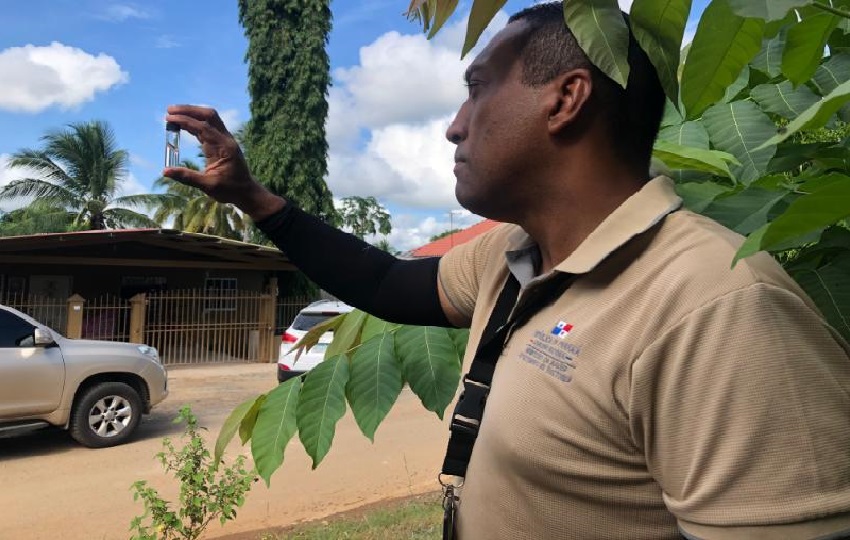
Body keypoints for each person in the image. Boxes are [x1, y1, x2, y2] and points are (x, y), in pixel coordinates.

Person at [164, 3, 850, 539]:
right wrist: (255, 201)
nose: (454, 127)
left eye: (476, 90)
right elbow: (387, 285)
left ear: (565, 97)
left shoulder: (716, 305)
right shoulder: (512, 256)